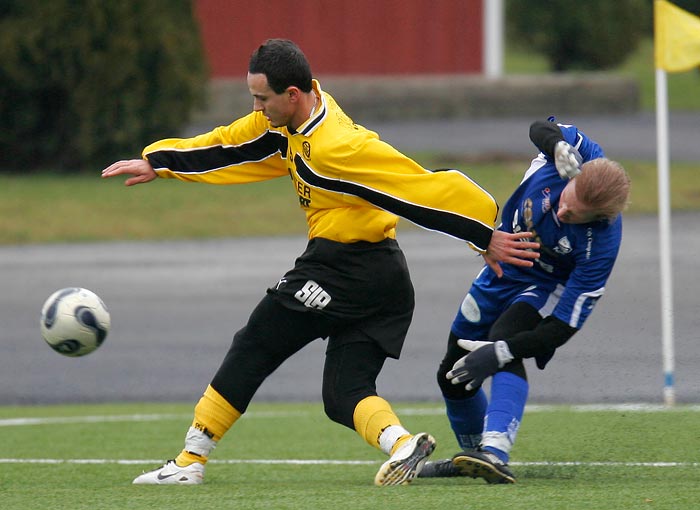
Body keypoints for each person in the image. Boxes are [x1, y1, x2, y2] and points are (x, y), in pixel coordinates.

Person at [101, 39, 539, 486]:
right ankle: (404, 445)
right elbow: (231, 144)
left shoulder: (335, 148)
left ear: (293, 94)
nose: (256, 107)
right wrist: (158, 161)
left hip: (343, 269)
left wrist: (484, 236)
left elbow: (417, 187)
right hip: (385, 280)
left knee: (256, 341)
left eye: (261, 98)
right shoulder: (294, 121)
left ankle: (189, 463)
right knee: (342, 395)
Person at [418, 117, 631, 483]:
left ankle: (495, 452)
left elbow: (563, 326)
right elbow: (538, 127)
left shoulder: (602, 246)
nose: (563, 212)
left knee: (501, 343)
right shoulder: (577, 157)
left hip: (545, 287)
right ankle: (472, 457)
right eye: (567, 199)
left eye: (575, 215)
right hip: (500, 272)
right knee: (452, 375)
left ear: (599, 219)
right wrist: (557, 146)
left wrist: (504, 351)